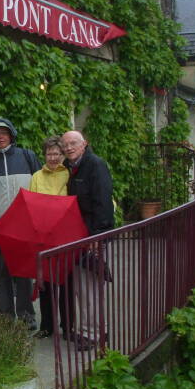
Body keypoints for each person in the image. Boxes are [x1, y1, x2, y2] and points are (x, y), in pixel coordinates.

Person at [0, 118, 41, 327]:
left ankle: (26, 315)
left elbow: (40, 184)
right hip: (0, 228)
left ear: (11, 134)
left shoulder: (27, 156)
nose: (0, 136)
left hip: (24, 226)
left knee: (23, 272)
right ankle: (5, 316)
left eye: (4, 132)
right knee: (3, 271)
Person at [61, 130, 114, 347]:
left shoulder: (95, 165)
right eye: (65, 145)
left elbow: (103, 201)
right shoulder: (70, 167)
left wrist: (97, 237)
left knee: (90, 288)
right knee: (83, 288)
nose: (69, 148)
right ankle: (95, 330)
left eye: (74, 143)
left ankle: (93, 335)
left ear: (85, 144)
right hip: (79, 235)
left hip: (93, 236)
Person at [29, 136, 70, 339]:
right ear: (44, 155)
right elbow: (31, 203)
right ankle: (46, 326)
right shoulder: (37, 176)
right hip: (44, 235)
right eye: (49, 153)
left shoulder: (69, 174)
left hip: (65, 235)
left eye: (56, 153)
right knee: (46, 283)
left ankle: (68, 327)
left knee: (66, 283)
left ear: (63, 155)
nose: (52, 157)